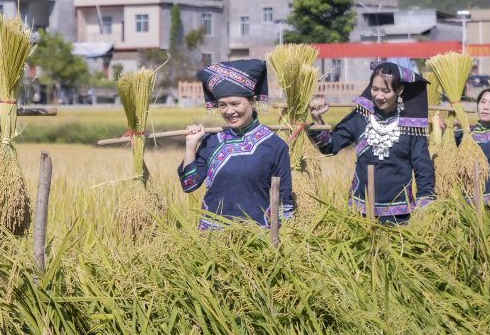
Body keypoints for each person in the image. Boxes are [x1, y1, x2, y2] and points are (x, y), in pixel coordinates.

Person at [309, 62, 434, 225]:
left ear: (400, 90)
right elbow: (330, 147)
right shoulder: (360, 117)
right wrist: (317, 120)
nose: (379, 96)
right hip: (360, 213)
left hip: (399, 215)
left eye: (386, 91)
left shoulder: (411, 126)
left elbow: (423, 169)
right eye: (375, 89)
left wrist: (425, 211)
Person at [178, 59, 293, 231]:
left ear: (253, 102)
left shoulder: (275, 145)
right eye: (222, 105)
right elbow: (189, 184)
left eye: (235, 104)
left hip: (255, 238)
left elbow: (283, 202)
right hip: (211, 237)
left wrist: (281, 241)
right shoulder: (212, 141)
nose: (229, 111)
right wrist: (190, 145)